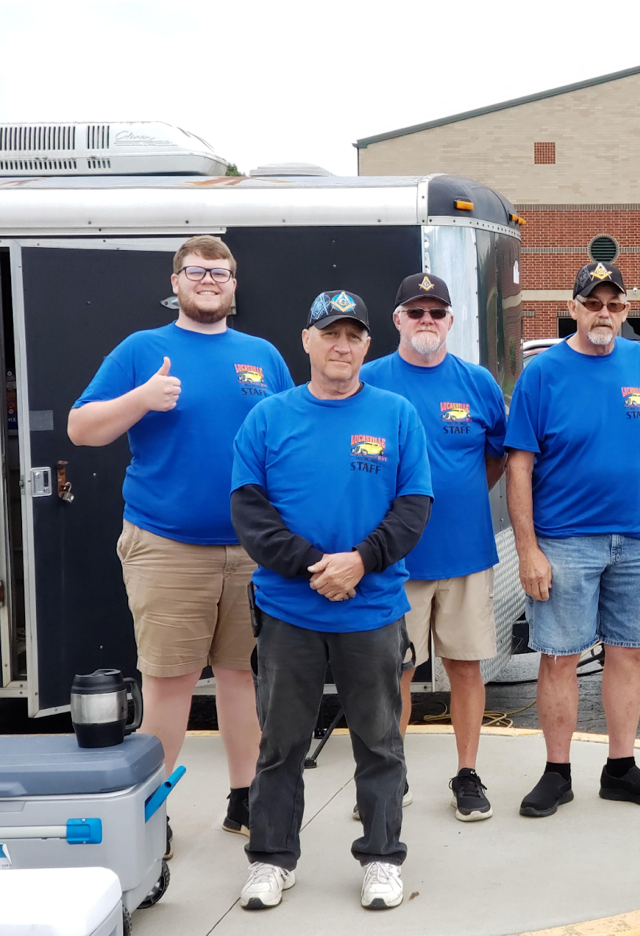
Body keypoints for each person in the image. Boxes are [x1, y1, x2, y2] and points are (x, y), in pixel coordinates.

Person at [67, 235, 293, 854]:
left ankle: (244, 799)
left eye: (221, 272)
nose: (210, 281)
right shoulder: (144, 349)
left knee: (240, 678)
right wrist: (141, 400)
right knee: (168, 682)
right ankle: (151, 815)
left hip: (251, 548)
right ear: (177, 282)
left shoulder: (263, 355)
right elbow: (81, 428)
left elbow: (291, 439)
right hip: (166, 546)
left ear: (234, 285)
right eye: (197, 271)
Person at [230, 291, 433, 911]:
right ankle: (271, 859)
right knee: (280, 743)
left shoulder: (396, 414)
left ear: (367, 345)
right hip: (290, 612)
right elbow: (249, 510)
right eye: (330, 334)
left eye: (353, 335)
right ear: (307, 340)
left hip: (371, 611)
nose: (341, 346)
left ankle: (380, 859)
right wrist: (315, 566)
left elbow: (414, 506)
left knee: (379, 742)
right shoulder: (267, 417)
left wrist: (360, 561)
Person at [505, 261, 640, 818]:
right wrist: (528, 549)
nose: (604, 313)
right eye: (593, 303)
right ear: (574, 307)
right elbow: (519, 468)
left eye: (615, 305)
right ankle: (557, 774)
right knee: (559, 657)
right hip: (564, 542)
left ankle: (621, 769)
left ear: (627, 310)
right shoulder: (543, 373)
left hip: (635, 540)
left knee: (629, 654)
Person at [361, 272, 507, 822]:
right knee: (392, 671)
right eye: (415, 312)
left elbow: (496, 458)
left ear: (451, 320)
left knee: (466, 667)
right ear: (397, 320)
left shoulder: (478, 384)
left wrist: (458, 497)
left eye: (436, 312)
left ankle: (467, 774)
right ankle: (388, 777)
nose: (427, 321)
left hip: (466, 554)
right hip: (394, 560)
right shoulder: (370, 381)